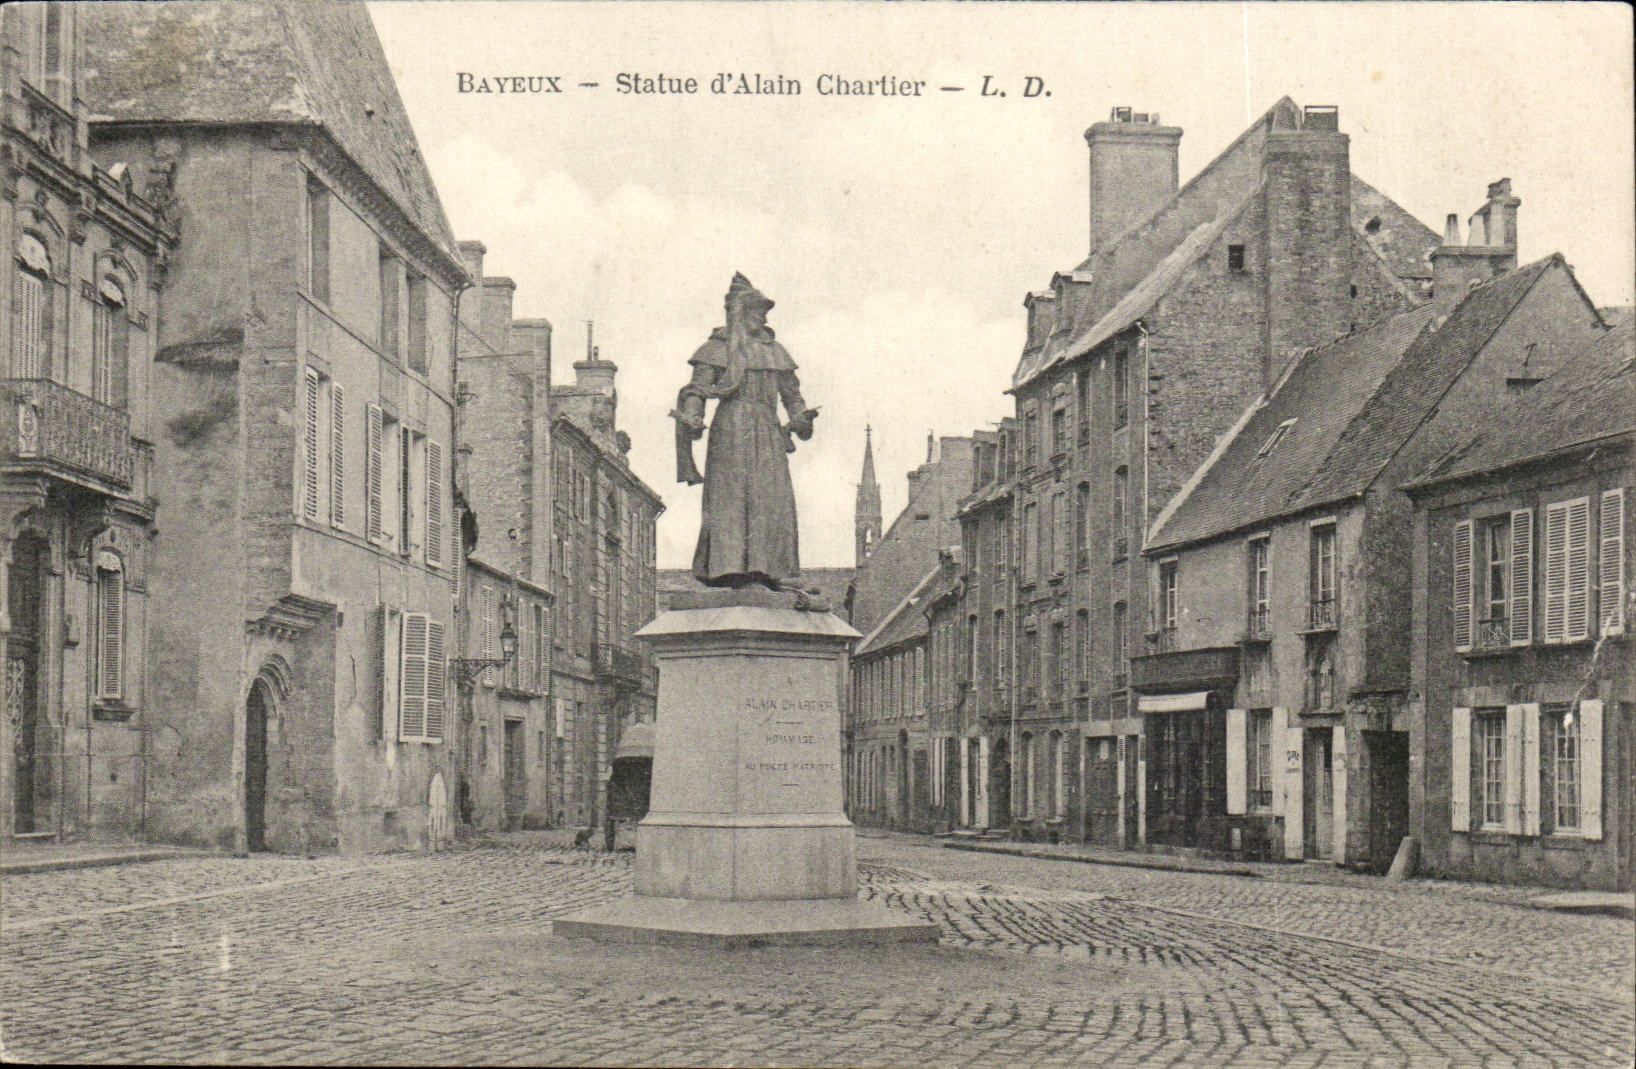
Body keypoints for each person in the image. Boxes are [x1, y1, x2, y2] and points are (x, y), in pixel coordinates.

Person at [673, 274, 818, 589]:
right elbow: (697, 390)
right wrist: (693, 415)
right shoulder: (716, 348)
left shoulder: (775, 351)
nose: (763, 318)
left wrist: (801, 418)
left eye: (764, 312)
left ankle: (770, 570)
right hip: (731, 430)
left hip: (767, 430)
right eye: (758, 311)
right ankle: (728, 568)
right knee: (731, 497)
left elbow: (792, 396)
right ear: (740, 312)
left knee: (771, 496)